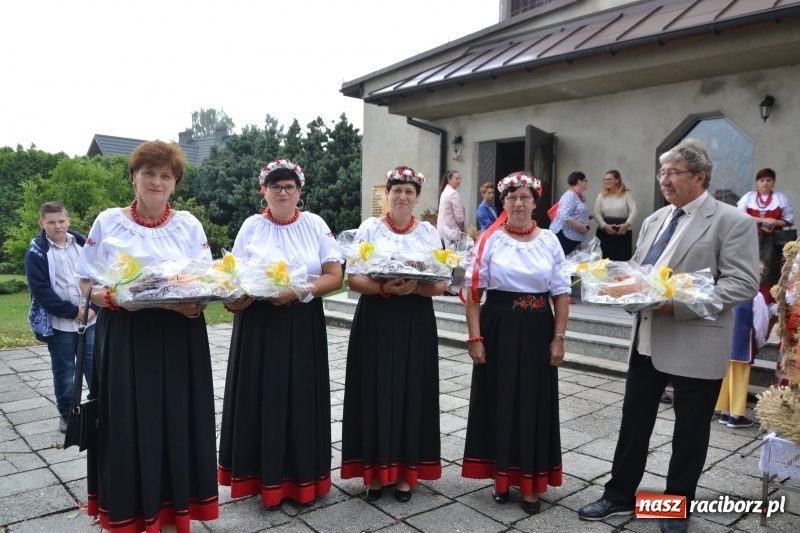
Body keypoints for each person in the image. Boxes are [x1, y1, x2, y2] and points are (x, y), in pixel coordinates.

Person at [577, 139, 759, 533]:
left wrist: (676, 305)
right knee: (633, 423)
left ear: (700, 177)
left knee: (689, 433)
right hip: (646, 340)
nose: (664, 180)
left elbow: (742, 283)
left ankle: (676, 506)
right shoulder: (656, 219)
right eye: (662, 172)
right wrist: (614, 287)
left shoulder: (732, 221)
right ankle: (618, 495)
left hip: (696, 341)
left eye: (673, 172)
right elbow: (640, 274)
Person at [76, 140, 219, 532]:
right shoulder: (108, 221)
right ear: (134, 177)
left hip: (179, 336)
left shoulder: (188, 224)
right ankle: (128, 511)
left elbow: (203, 280)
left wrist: (197, 302)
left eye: (166, 175)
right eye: (149, 173)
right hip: (125, 335)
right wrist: (119, 298)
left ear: (175, 183)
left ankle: (175, 511)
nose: (157, 181)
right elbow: (86, 283)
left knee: (178, 418)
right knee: (125, 421)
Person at [218, 159, 343, 508]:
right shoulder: (251, 226)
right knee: (261, 396)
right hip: (258, 325)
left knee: (301, 397)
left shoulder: (315, 225)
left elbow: (335, 276)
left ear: (299, 191)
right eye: (276, 186)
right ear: (265, 191)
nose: (283, 191)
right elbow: (234, 276)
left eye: (289, 185)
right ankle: (262, 479)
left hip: (302, 321)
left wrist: (296, 292)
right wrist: (234, 300)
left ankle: (303, 480)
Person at [461, 171, 571, 515]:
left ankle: (531, 482)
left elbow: (562, 293)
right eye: (511, 198)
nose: (518, 203)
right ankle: (501, 478)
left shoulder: (550, 241)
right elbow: (474, 293)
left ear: (535, 202)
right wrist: (475, 337)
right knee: (500, 399)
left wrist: (559, 337)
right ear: (503, 203)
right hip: (498, 328)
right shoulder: (490, 240)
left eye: (525, 197)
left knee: (533, 403)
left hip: (539, 329)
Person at [341, 166, 447, 503]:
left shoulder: (429, 233)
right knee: (374, 388)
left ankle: (405, 474)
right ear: (387, 194)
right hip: (376, 316)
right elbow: (353, 279)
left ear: (417, 198)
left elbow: (442, 283)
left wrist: (417, 285)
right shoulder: (370, 228)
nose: (402, 196)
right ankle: (374, 473)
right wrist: (385, 286)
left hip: (415, 318)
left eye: (409, 192)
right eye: (397, 190)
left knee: (411, 390)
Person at [25, 201, 97, 434]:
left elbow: (99, 275)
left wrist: (95, 306)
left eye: (61, 220)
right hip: (60, 325)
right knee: (65, 371)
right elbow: (41, 290)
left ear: (68, 220)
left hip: (92, 319)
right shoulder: (36, 252)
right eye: (51, 222)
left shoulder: (84, 244)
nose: (57, 226)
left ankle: (97, 408)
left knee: (95, 367)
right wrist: (72, 312)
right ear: (42, 223)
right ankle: (67, 414)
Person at [716, 262, 769, 429]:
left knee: (726, 377)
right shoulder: (757, 296)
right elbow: (760, 324)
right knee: (739, 379)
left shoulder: (730, 292)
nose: (758, 277)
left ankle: (724, 411)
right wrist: (760, 342)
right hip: (743, 342)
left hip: (726, 342)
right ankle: (736, 415)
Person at [737, 168, 794, 305]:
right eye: (762, 180)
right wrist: (763, 220)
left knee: (771, 274)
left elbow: (789, 219)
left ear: (773, 182)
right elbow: (739, 216)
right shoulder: (748, 198)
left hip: (773, 243)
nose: (765, 183)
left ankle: (769, 304)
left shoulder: (780, 199)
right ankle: (747, 303)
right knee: (750, 269)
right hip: (751, 239)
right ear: (757, 183)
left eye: (769, 180)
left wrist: (775, 222)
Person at [592, 170, 638, 261]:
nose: (606, 181)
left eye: (609, 179)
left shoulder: (626, 194)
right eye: (605, 180)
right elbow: (596, 212)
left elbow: (634, 210)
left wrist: (626, 224)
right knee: (604, 260)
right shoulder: (601, 195)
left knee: (622, 259)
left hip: (623, 231)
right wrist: (604, 226)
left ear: (617, 180)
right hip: (605, 232)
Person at [438, 170, 466, 294]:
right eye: (456, 178)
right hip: (451, 231)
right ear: (449, 179)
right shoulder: (453, 193)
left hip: (443, 231)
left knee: (446, 259)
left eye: (460, 178)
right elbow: (458, 215)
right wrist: (462, 228)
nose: (459, 181)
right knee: (452, 259)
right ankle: (448, 286)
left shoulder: (445, 192)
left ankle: (445, 285)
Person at [549, 171, 590, 256]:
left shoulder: (577, 195)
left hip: (572, 236)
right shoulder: (570, 195)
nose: (587, 182)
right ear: (579, 181)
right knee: (561, 259)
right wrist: (580, 226)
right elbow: (564, 215)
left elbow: (573, 211)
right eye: (585, 180)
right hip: (564, 235)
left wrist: (585, 216)